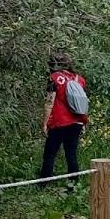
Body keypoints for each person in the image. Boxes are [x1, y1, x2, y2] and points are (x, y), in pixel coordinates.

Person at [41, 52, 88, 181]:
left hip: (58, 122)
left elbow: (49, 102)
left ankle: (43, 183)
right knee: (71, 154)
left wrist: (45, 123)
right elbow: (82, 102)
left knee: (50, 154)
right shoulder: (79, 79)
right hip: (77, 122)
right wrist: (83, 122)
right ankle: (74, 184)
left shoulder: (54, 78)